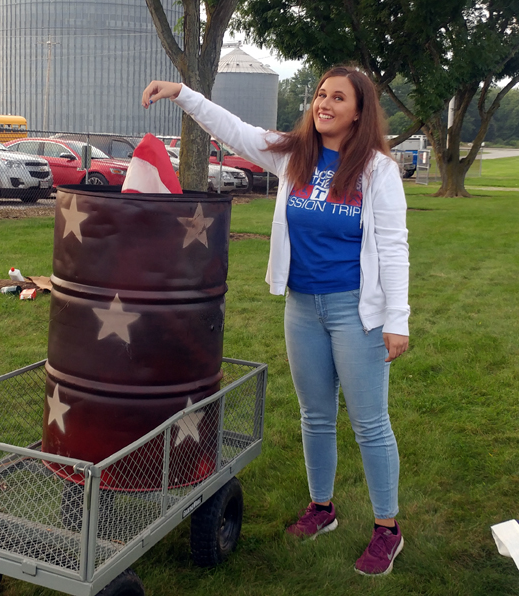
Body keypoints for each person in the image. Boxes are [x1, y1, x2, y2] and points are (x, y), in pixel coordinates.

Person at [142, 66, 410, 576]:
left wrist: (397, 318)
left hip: (357, 311)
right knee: (315, 415)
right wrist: (182, 94)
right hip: (302, 306)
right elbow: (235, 130)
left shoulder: (377, 170)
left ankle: (387, 529)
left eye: (338, 97)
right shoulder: (295, 154)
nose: (324, 103)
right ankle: (322, 508)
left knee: (370, 423)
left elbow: (394, 247)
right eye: (320, 94)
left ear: (359, 112)